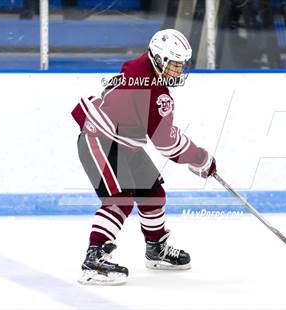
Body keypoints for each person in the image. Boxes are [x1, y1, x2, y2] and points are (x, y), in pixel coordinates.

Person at [71, 29, 217, 285]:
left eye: (182, 65)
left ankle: (155, 249)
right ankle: (93, 260)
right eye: (174, 65)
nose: (179, 71)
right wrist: (200, 157)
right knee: (119, 200)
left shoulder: (145, 69)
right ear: (159, 60)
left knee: (153, 193)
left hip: (125, 142)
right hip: (99, 139)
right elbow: (168, 145)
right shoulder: (154, 90)